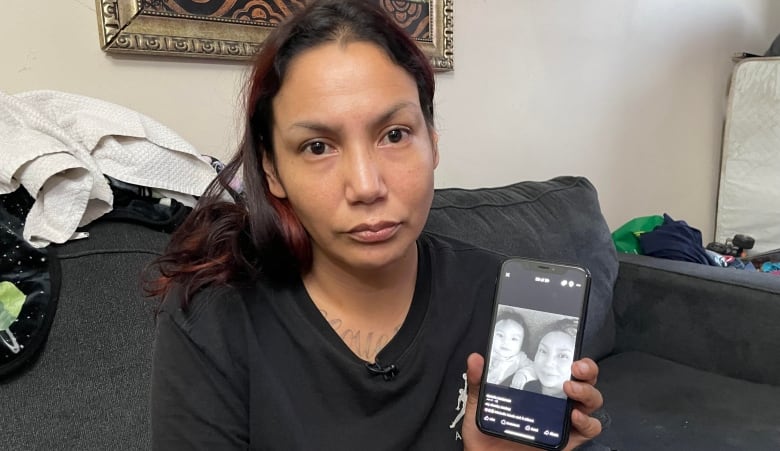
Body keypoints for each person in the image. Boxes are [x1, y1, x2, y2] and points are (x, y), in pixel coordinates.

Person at [147, 1, 604, 449]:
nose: (366, 186)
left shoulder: (496, 297)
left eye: (395, 135)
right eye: (318, 147)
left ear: (433, 142)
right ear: (271, 170)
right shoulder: (214, 318)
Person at [522, 319, 579, 399]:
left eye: (563, 356)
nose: (548, 363)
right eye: (543, 351)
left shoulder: (575, 403)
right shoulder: (529, 387)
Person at [486, 308, 533, 386]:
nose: (506, 342)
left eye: (514, 339)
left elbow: (535, 368)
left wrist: (523, 375)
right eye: (500, 335)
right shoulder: (487, 349)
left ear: (522, 343)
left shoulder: (519, 358)